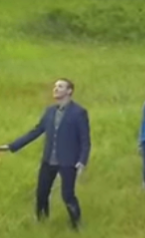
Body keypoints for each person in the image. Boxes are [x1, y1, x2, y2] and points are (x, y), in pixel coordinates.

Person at [1, 78, 90, 229]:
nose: (55, 89)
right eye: (55, 86)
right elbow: (35, 132)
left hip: (68, 161)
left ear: (69, 91)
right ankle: (42, 221)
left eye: (60, 86)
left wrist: (82, 161)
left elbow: (85, 140)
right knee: (41, 193)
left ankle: (77, 224)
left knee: (67, 195)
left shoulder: (78, 112)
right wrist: (11, 146)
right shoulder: (50, 111)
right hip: (48, 160)